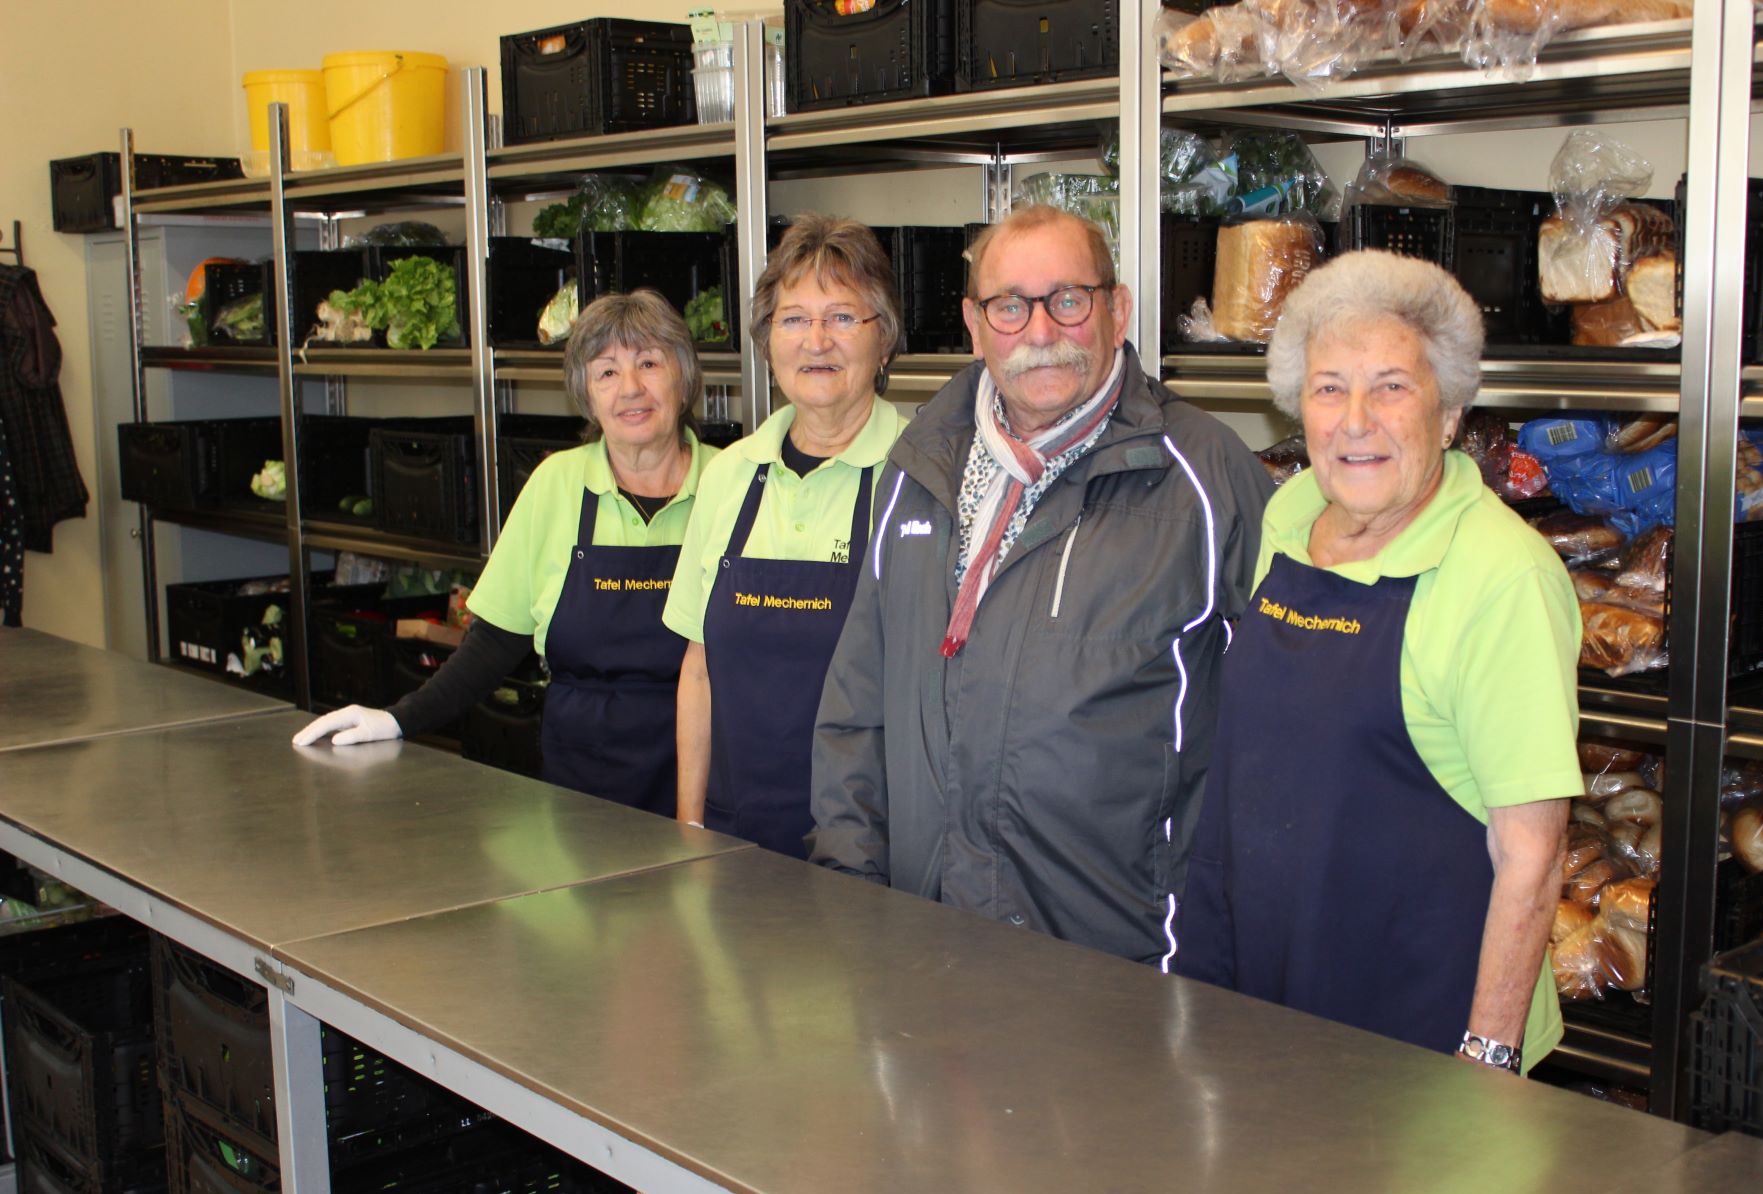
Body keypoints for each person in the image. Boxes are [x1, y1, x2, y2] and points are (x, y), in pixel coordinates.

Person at [808, 205, 1274, 965]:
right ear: (974, 322)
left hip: (1119, 966)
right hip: (924, 944)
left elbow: (1274, 747)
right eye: (1009, 306)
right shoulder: (919, 466)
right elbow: (857, 707)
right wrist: (850, 895)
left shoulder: (1206, 480)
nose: (1039, 330)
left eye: (1068, 299)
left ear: (1117, 310)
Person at [1172, 251, 1579, 1075]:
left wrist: (1486, 1059)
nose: (1356, 419)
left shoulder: (1503, 578)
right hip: (1265, 988)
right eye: (1329, 388)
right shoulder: (1291, 512)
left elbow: (1531, 855)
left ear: (1452, 409)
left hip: (1417, 1026)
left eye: (1391, 385)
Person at [292, 290, 717, 817]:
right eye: (606, 371)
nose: (631, 388)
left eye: (649, 363)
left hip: (710, 779)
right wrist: (400, 719)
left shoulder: (732, 483)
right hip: (581, 783)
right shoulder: (556, 485)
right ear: (585, 392)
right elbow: (494, 642)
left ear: (684, 376)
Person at [663, 215, 908, 858]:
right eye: (794, 318)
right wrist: (689, 830)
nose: (816, 341)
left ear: (884, 341)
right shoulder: (728, 474)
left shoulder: (922, 476)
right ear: (768, 342)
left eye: (843, 318)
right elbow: (698, 671)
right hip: (732, 831)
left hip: (871, 848)